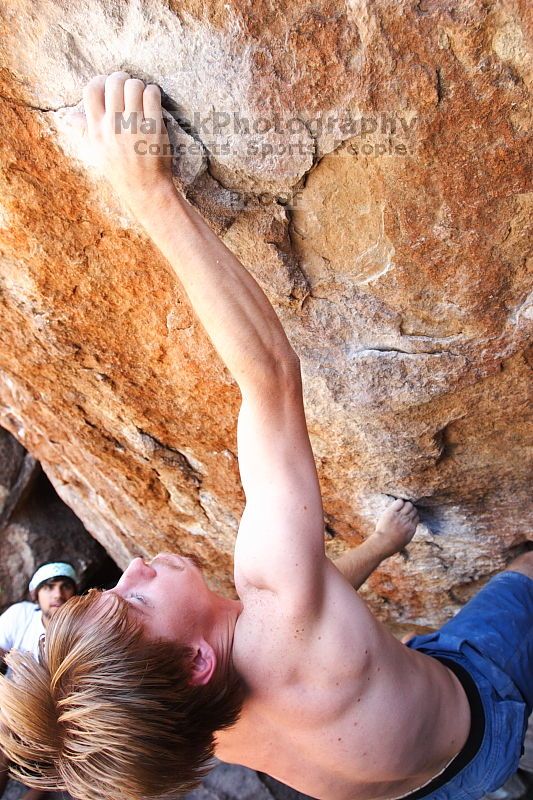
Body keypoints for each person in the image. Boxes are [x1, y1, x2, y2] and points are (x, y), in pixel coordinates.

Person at [0, 72, 530, 800]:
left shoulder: (184, 723)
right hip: (480, 708)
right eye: (134, 600)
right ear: (192, 664)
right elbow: (271, 379)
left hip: (422, 784)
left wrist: (377, 545)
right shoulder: (277, 602)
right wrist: (149, 191)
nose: (135, 568)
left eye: (105, 588)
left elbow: (299, 623)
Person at [0, 562, 78, 800]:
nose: (58, 594)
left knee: (65, 768)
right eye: (49, 587)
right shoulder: (22, 615)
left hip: (58, 712)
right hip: (15, 704)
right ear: (36, 595)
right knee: (4, 738)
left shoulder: (81, 629)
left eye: (65, 586)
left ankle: (44, 788)